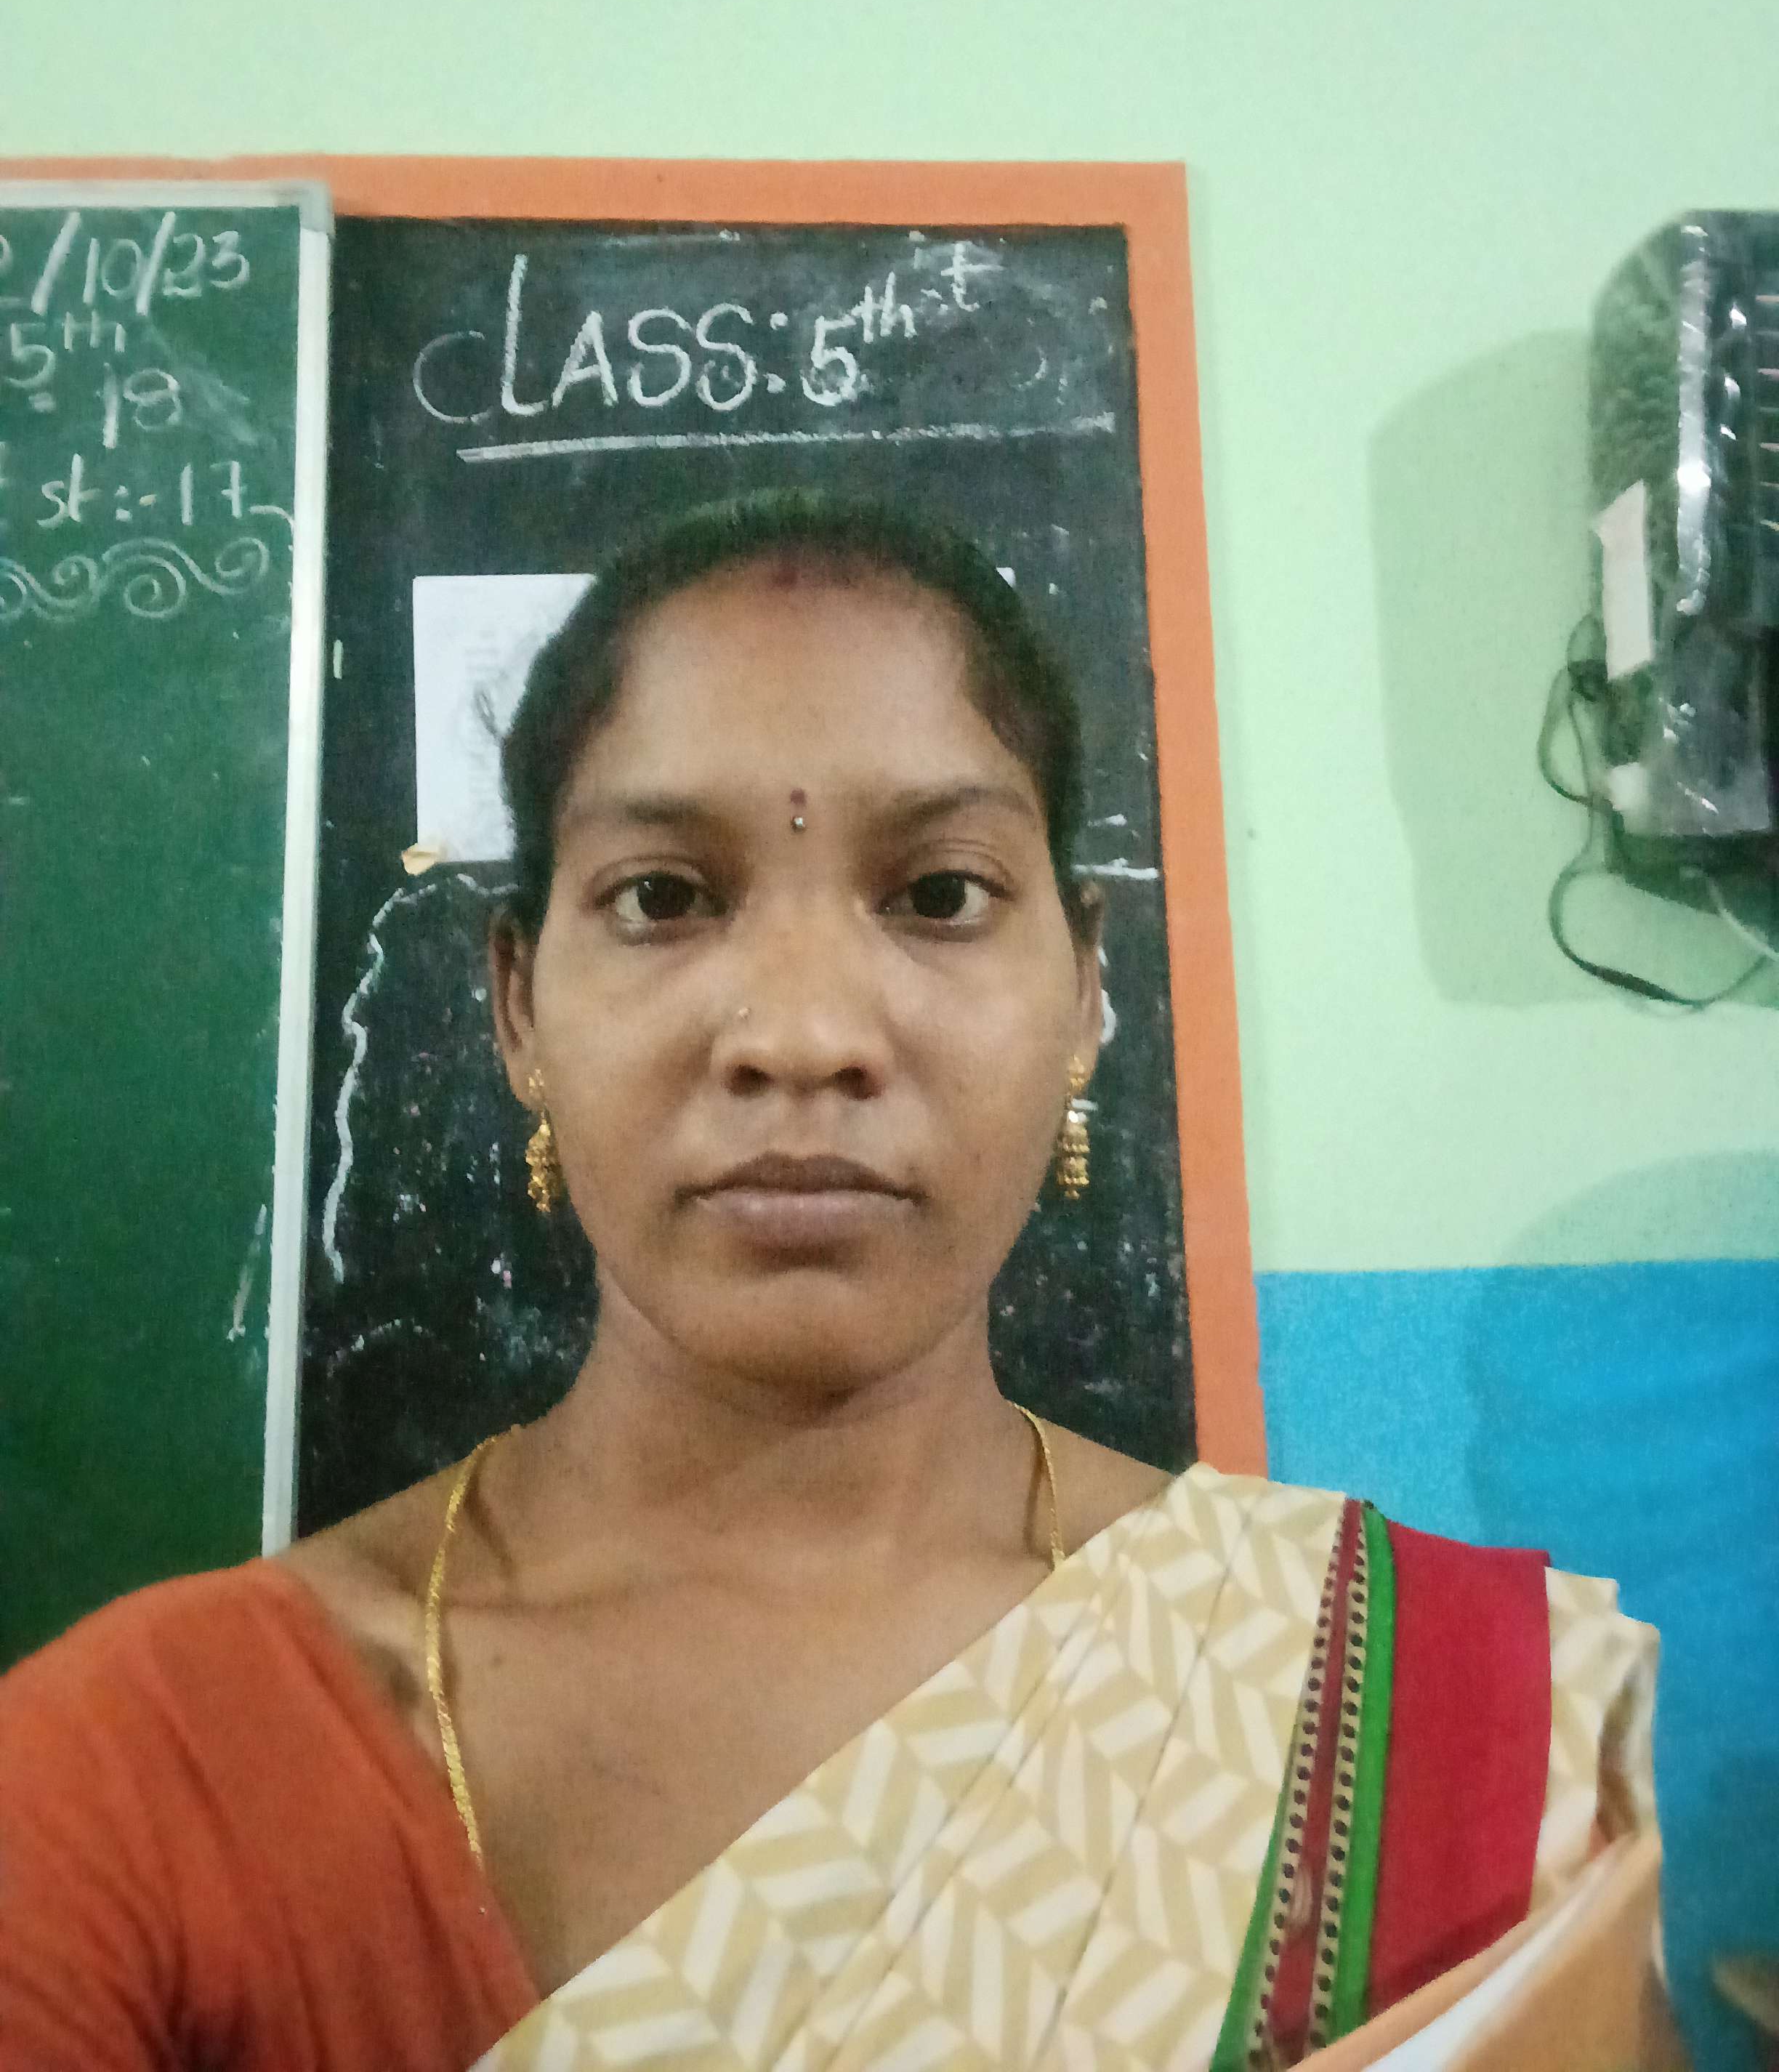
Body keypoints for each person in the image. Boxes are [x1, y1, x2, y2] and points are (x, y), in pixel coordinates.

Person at [0, 491, 1663, 2071]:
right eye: (663, 898)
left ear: (1087, 989)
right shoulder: (148, 1778)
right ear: (516, 1005)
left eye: (940, 895)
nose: (802, 1036)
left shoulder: (1417, 1720)